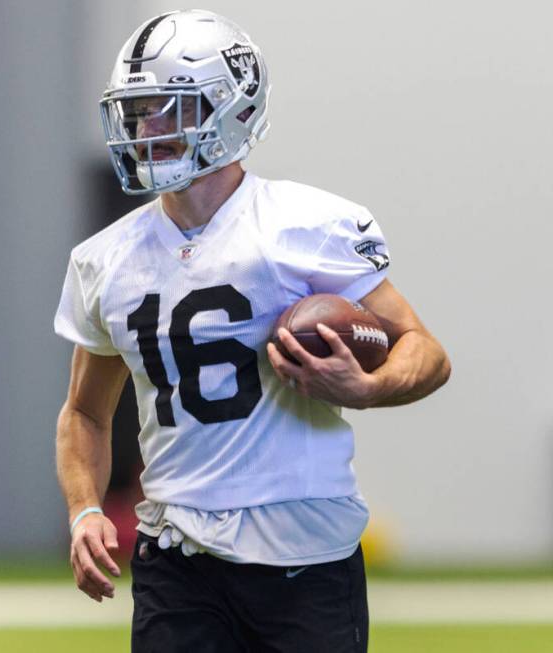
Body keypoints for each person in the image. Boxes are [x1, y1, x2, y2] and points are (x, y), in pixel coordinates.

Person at [54, 10, 450, 652]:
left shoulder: (305, 225)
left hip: (306, 553)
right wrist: (85, 509)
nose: (143, 129)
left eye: (164, 108)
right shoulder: (105, 260)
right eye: (137, 110)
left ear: (227, 110)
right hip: (176, 559)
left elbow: (425, 351)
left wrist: (367, 387)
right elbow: (85, 414)